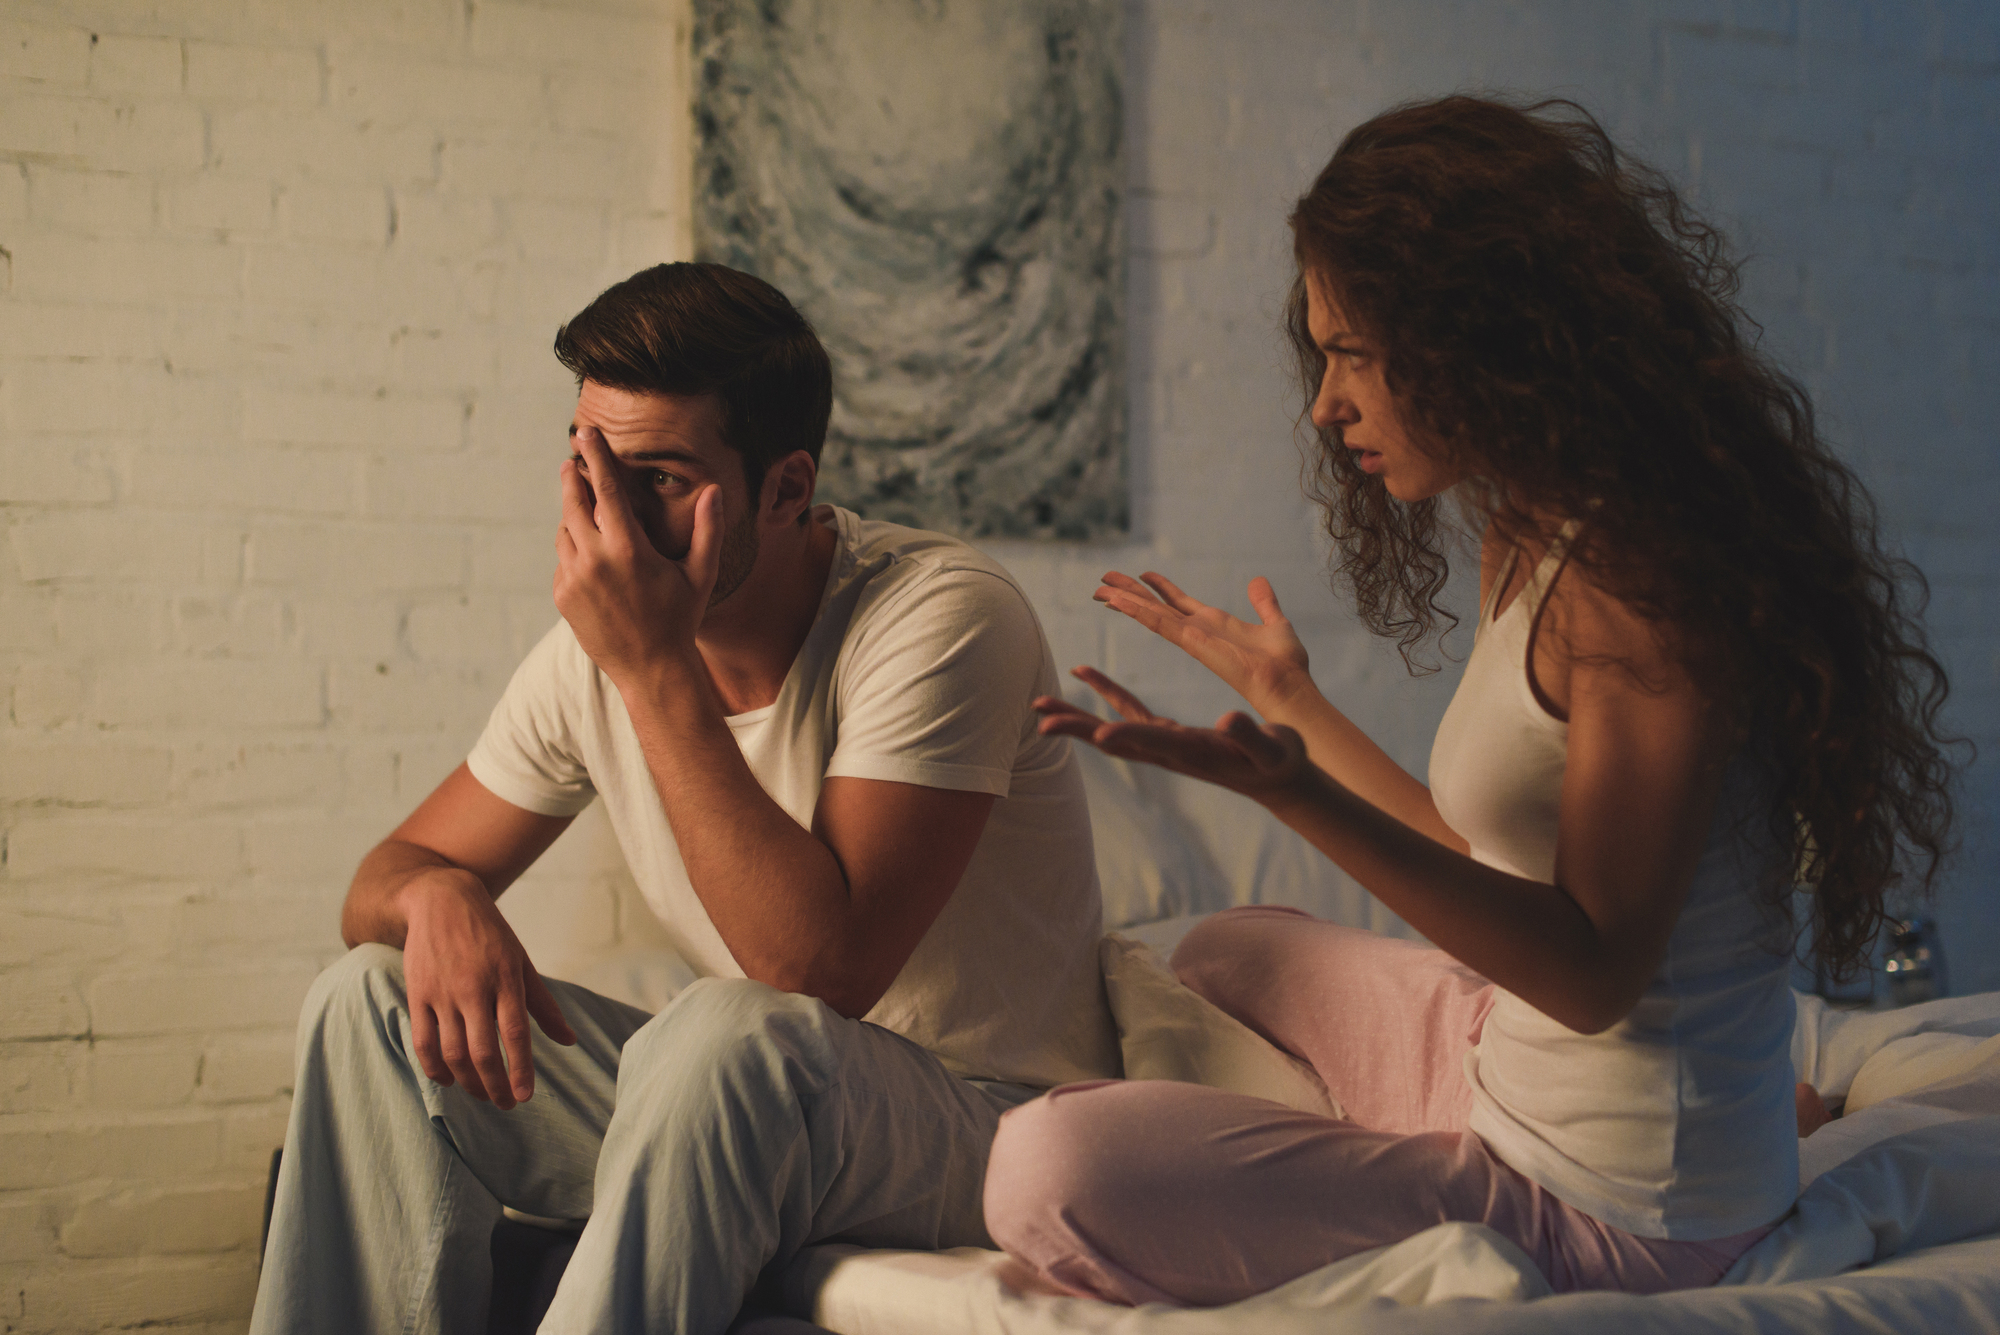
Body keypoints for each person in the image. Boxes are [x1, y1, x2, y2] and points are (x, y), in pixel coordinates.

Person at [982, 95, 1958, 1303]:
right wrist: (1293, 706)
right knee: (1225, 949)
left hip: (1622, 1205)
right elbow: (1496, 868)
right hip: (1505, 1068)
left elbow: (1592, 974)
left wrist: (1294, 796)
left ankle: (1514, 1175)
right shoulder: (1532, 522)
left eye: (1350, 353)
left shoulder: (1642, 588)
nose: (1323, 404)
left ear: (1475, 337)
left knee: (1042, 1168)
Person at [250, 262, 1117, 1335]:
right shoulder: (593, 656)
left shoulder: (940, 616)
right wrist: (437, 900)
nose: (604, 518)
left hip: (989, 1129)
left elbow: (814, 971)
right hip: (756, 1104)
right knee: (366, 1002)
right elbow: (380, 880)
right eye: (585, 465)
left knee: (730, 1029)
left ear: (785, 489)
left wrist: (655, 669)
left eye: (653, 477)